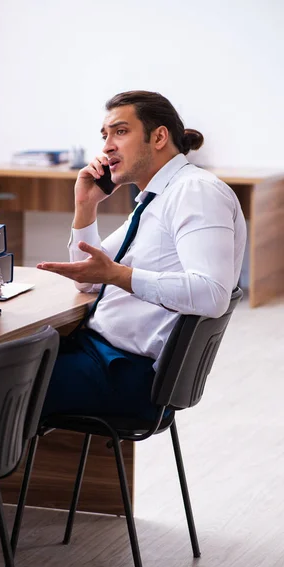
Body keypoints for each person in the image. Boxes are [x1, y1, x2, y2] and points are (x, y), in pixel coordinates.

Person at [37, 90, 247, 420]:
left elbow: (212, 294)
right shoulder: (155, 200)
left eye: (120, 132)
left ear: (159, 136)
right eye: (105, 135)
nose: (107, 146)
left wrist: (118, 275)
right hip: (103, 357)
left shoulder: (195, 192)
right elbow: (87, 278)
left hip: (126, 374)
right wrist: (85, 205)